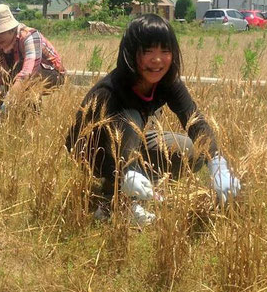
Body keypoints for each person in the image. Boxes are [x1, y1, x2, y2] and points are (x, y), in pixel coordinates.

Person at [66, 14, 241, 226]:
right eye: (147, 51)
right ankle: (120, 200)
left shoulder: (168, 82)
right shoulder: (110, 90)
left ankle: (137, 187)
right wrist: (123, 174)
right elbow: (80, 143)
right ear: (130, 53)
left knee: (190, 151)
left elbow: (195, 121)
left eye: (165, 51)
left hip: (130, 144)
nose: (157, 60)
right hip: (95, 152)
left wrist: (217, 163)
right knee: (130, 117)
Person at [0, 4, 66, 122]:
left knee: (24, 77)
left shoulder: (30, 36)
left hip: (50, 74)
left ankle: (32, 121)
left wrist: (9, 98)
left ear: (11, 30)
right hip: (16, 75)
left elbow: (28, 71)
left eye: (0, 34)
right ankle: (8, 121)